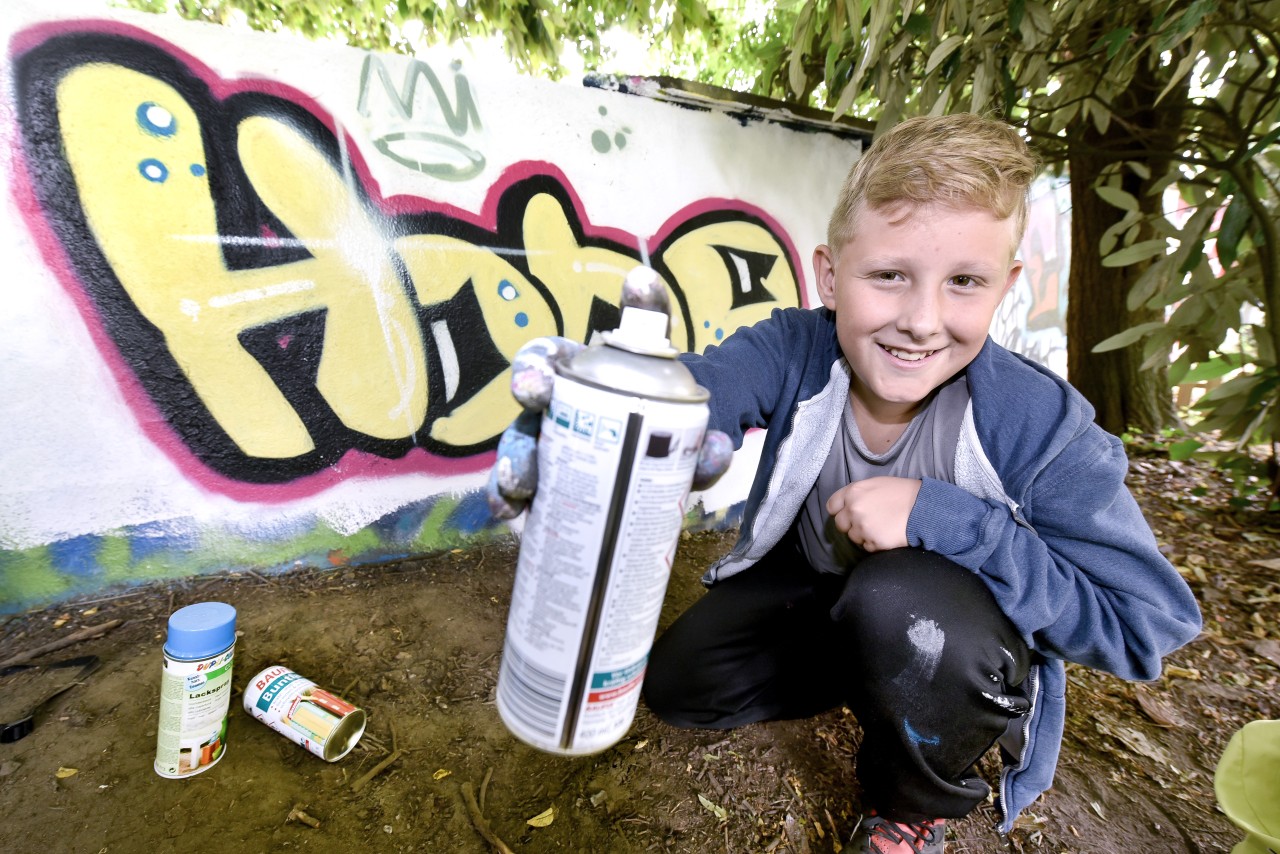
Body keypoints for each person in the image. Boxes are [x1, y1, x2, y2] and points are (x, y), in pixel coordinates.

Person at [490, 112, 1202, 853]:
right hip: (819, 587)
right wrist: (610, 407)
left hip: (944, 619)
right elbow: (708, 389)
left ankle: (912, 791)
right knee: (679, 688)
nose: (923, 321)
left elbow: (1143, 623)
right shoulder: (794, 347)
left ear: (1006, 287)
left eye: (964, 282)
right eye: (890, 275)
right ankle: (877, 670)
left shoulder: (1040, 425)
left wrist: (948, 519)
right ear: (830, 276)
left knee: (898, 605)